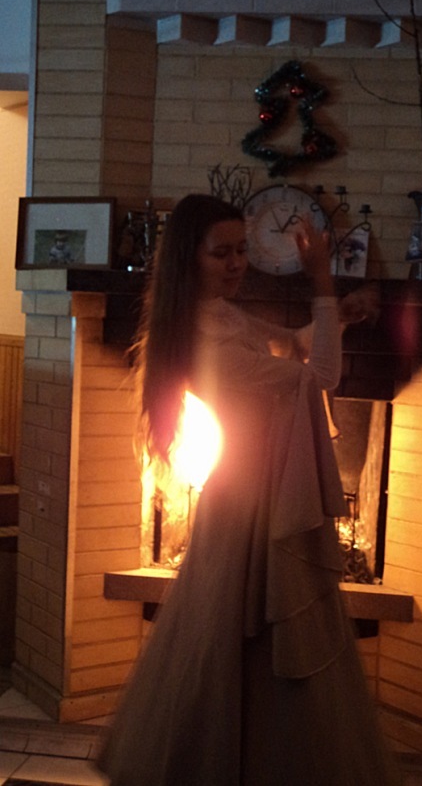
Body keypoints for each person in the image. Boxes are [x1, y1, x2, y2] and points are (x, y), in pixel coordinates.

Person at [96, 193, 393, 785]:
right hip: (244, 503)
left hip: (255, 491)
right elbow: (322, 376)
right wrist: (322, 280)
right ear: (189, 256)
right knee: (236, 631)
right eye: (221, 253)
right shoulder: (210, 339)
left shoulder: (219, 315)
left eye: (240, 250)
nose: (236, 264)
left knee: (245, 632)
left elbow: (298, 343)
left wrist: (338, 313)